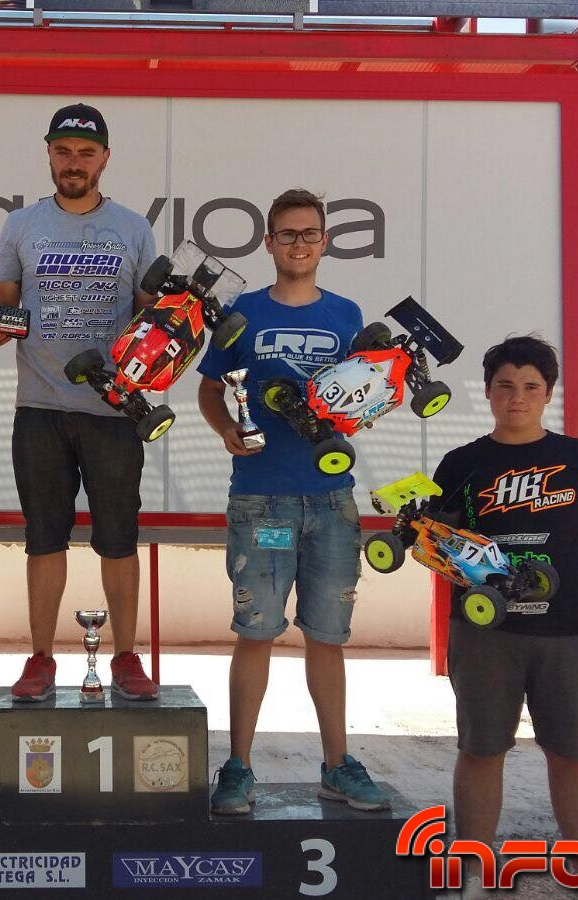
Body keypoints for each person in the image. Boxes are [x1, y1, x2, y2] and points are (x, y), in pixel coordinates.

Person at [194, 189, 391, 816]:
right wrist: (227, 429)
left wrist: (366, 407)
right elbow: (209, 389)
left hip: (331, 500)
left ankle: (337, 765)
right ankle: (238, 767)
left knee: (327, 637)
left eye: (309, 234)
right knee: (256, 633)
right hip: (261, 501)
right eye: (287, 234)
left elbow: (361, 391)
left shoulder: (347, 314)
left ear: (324, 242)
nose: (298, 244)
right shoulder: (243, 312)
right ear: (269, 243)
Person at [431, 335, 578, 899]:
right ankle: (472, 872)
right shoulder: (461, 464)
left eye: (530, 386)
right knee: (480, 750)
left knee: (572, 753)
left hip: (568, 632)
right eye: (505, 386)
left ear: (549, 393)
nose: (517, 398)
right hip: (484, 634)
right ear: (487, 392)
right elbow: (437, 546)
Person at [0, 102, 160, 702]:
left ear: (105, 158)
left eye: (86, 152)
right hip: (39, 407)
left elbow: (151, 320)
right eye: (63, 151)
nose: (73, 162)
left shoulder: (134, 228)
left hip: (114, 410)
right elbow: (5, 305)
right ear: (49, 154)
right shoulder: (20, 225)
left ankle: (125, 656)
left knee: (119, 539)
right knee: (43, 539)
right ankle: (41, 658)